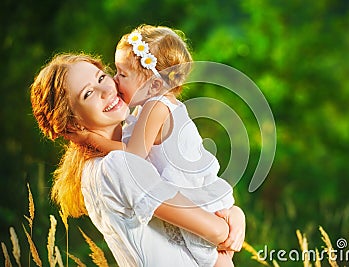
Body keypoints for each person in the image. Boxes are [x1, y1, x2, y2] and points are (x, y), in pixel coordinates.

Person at [30, 53, 245, 267]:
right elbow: (217, 232)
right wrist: (230, 220)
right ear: (74, 125)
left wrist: (234, 213)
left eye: (101, 77)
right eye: (88, 94)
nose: (106, 90)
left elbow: (190, 198)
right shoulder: (117, 166)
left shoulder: (124, 149)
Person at [79, 25, 238, 266]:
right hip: (199, 204)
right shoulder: (157, 105)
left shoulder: (156, 107)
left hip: (197, 204)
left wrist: (93, 140)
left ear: (153, 85)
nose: (114, 80)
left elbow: (133, 155)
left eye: (122, 74)